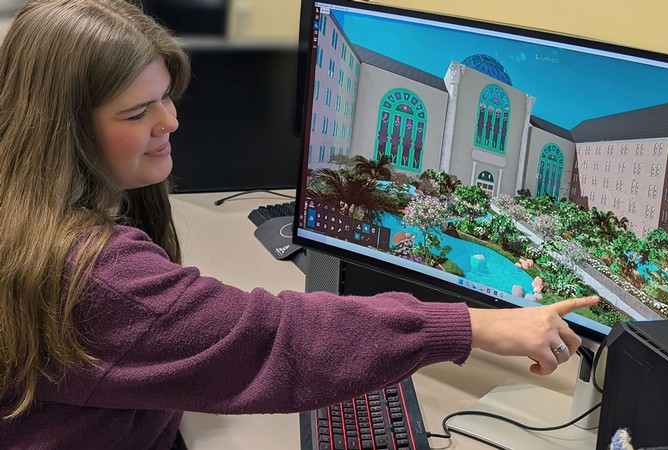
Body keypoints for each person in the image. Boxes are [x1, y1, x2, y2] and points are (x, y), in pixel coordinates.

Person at [0, 1, 599, 448]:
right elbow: (275, 337)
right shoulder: (92, 275)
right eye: (138, 112)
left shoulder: (28, 208)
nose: (171, 122)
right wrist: (470, 327)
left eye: (167, 96)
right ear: (61, 130)